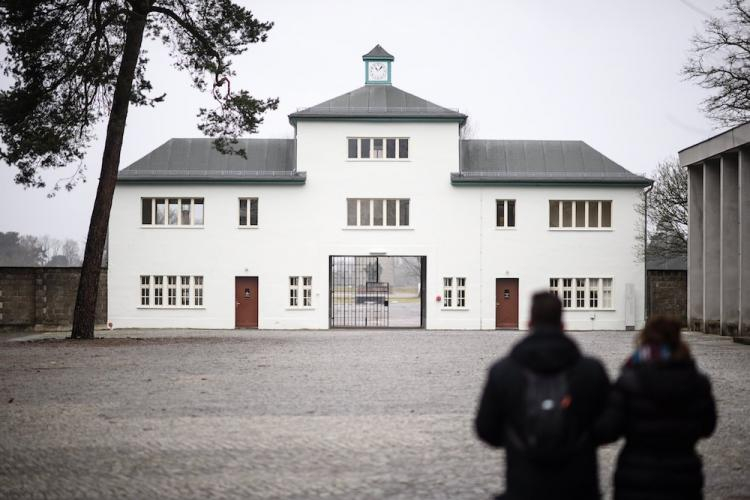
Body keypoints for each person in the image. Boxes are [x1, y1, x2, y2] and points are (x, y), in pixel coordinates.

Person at [475, 292, 610, 500]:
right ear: (563, 325)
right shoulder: (590, 370)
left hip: (524, 486)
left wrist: (519, 438)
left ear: (529, 323)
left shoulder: (503, 371)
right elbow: (610, 426)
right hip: (579, 488)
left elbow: (486, 429)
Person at [595, 316, 717, 500]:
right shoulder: (697, 382)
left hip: (636, 477)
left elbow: (610, 429)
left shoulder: (629, 379)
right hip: (683, 477)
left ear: (645, 339)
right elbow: (708, 427)